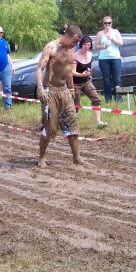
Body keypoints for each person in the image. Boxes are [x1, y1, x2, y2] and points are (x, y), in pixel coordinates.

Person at [36, 24, 84, 167]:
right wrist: (40, 88)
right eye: (74, 41)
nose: (75, 44)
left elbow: (68, 70)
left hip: (64, 90)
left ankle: (77, 158)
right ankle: (42, 157)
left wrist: (71, 88)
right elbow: (39, 68)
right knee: (50, 126)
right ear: (67, 36)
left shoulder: (71, 49)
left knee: (72, 121)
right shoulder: (51, 48)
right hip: (50, 90)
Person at [72, 35, 107, 129]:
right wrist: (81, 74)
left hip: (87, 81)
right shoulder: (75, 55)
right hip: (75, 83)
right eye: (85, 45)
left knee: (96, 100)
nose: (87, 46)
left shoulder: (90, 54)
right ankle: (70, 123)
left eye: (88, 45)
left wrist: (89, 74)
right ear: (81, 45)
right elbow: (72, 72)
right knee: (76, 105)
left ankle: (98, 122)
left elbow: (89, 67)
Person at [95, 16, 123, 102]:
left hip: (115, 58)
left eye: (109, 23)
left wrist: (113, 39)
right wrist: (104, 46)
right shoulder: (100, 33)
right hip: (103, 59)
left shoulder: (115, 32)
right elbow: (96, 46)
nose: (107, 24)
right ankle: (108, 99)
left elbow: (121, 43)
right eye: (105, 23)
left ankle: (119, 99)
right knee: (106, 80)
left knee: (117, 80)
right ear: (103, 24)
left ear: (111, 23)